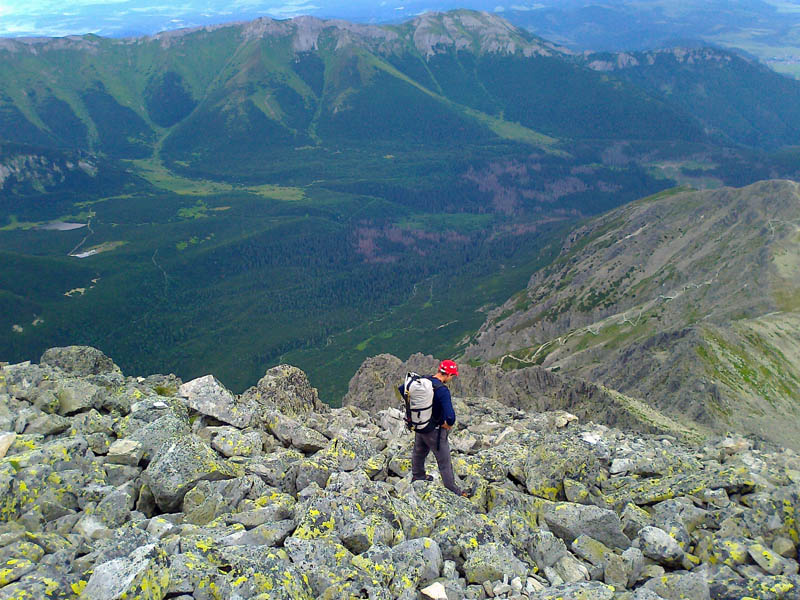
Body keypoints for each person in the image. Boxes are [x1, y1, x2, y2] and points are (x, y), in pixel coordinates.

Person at [400, 359, 467, 497]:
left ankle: (418, 476)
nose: (452, 378)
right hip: (435, 431)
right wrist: (447, 424)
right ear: (448, 375)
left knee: (419, 452)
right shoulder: (442, 390)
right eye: (452, 376)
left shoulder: (424, 380)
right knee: (444, 461)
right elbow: (450, 416)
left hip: (420, 424)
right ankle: (454, 491)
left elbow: (402, 388)